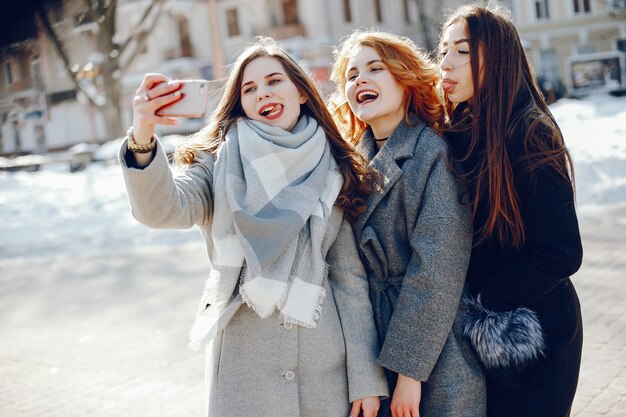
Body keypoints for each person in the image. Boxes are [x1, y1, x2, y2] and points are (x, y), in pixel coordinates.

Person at [118, 38, 389, 417]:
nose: (262, 93)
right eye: (249, 88)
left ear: (300, 91)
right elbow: (163, 210)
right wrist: (142, 135)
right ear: (240, 103)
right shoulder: (219, 163)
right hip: (246, 374)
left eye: (273, 81)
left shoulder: (333, 169)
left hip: (324, 374)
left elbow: (349, 281)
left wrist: (365, 380)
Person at [329, 30, 486, 417]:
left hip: (433, 348)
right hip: (371, 342)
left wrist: (409, 374)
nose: (360, 80)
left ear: (404, 78)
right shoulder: (352, 164)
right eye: (351, 75)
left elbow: (435, 269)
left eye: (374, 68)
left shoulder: (431, 153)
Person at [438, 5, 584, 417]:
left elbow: (562, 252)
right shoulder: (458, 131)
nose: (445, 63)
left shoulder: (528, 131)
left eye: (462, 52)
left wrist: (485, 301)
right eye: (444, 50)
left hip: (537, 335)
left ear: (497, 57)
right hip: (483, 340)